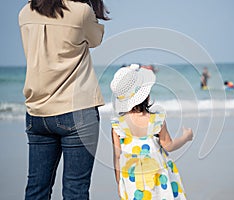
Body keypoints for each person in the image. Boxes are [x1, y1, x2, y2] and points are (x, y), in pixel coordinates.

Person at [19, 0, 109, 199]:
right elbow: (96, 39)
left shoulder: (25, 12)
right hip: (77, 110)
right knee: (75, 190)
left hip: (37, 111)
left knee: (36, 189)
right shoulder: (81, 11)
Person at [110, 64, 193, 199]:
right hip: (158, 178)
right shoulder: (156, 120)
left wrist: (119, 182)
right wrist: (186, 137)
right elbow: (169, 146)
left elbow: (117, 156)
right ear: (146, 95)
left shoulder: (117, 125)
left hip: (132, 180)